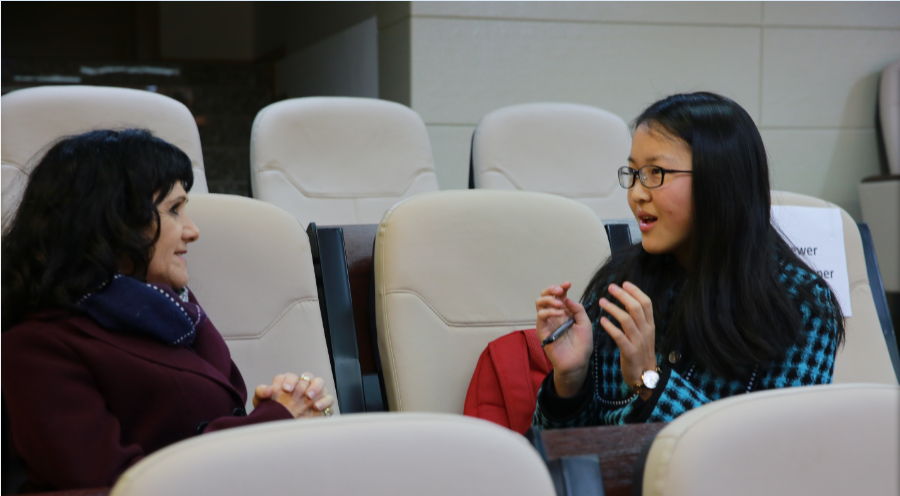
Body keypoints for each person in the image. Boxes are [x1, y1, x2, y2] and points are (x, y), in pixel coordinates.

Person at [1, 129, 335, 491]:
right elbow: (109, 485)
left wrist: (276, 413)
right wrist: (270, 422)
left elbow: (189, 435)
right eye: (174, 210)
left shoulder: (174, 310)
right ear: (113, 220)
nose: (193, 231)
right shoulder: (35, 348)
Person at [533, 92, 844, 428]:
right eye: (634, 173)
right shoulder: (620, 285)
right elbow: (563, 453)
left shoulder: (800, 305)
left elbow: (775, 448)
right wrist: (570, 381)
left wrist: (650, 380)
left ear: (719, 181)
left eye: (656, 172)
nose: (637, 193)